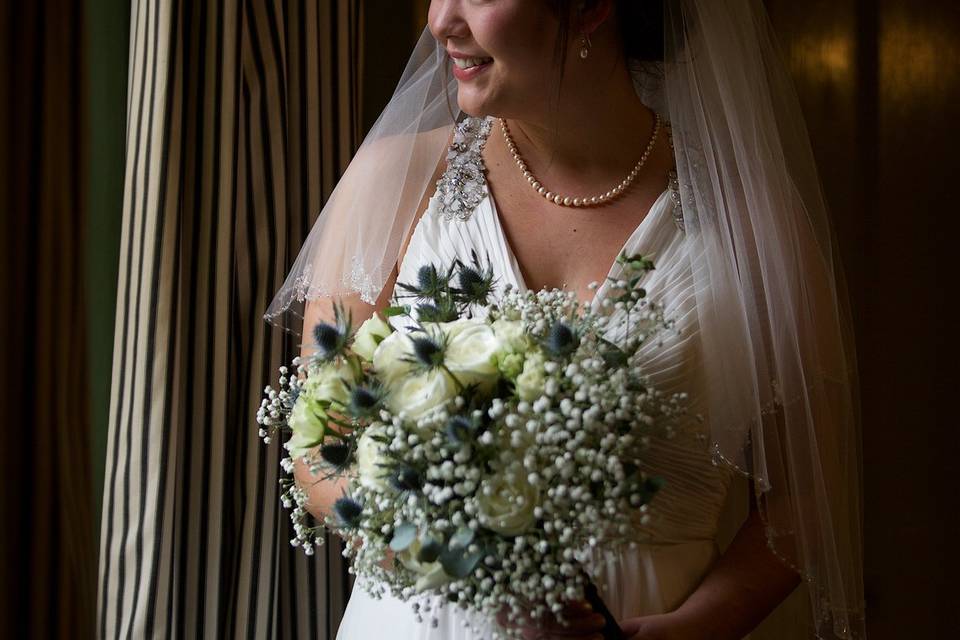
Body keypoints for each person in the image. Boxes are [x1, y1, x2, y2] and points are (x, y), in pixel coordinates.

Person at [265, 1, 865, 639]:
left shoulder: (748, 224)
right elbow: (320, 451)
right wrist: (464, 554)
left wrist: (698, 626)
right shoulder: (396, 178)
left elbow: (809, 492)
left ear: (591, 8)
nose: (441, 21)